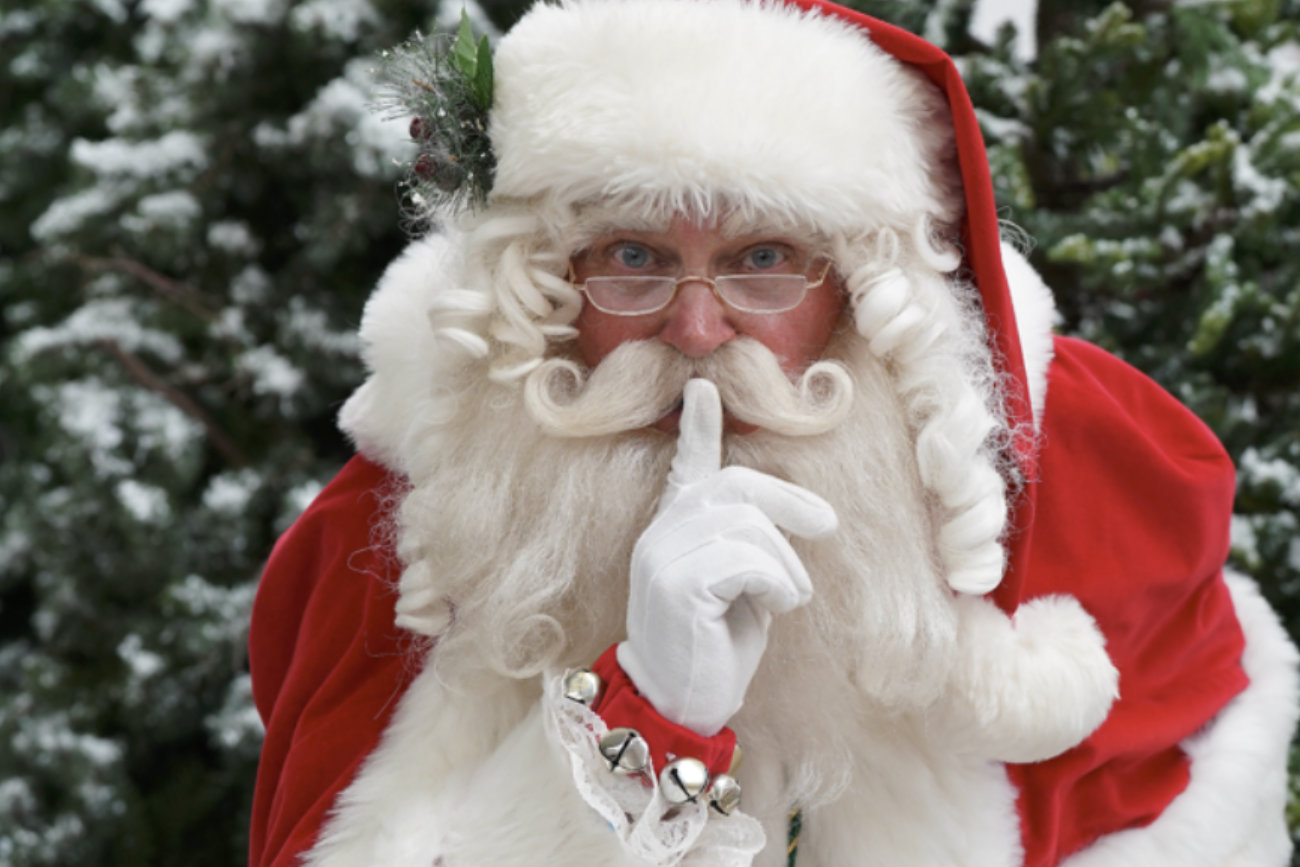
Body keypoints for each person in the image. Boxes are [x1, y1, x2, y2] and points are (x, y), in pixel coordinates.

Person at [247, 0, 1300, 864]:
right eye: (631, 257)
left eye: (764, 259)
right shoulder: (403, 538)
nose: (697, 329)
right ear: (546, 286)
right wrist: (646, 715)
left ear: (863, 291)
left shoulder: (1084, 471)